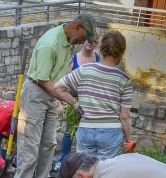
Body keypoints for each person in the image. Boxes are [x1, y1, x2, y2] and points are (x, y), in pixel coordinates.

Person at [14, 14, 96, 178]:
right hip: (36, 93)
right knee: (30, 142)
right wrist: (73, 102)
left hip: (51, 95)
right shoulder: (50, 44)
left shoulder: (69, 42)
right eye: (84, 37)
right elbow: (43, 80)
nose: (83, 42)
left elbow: (62, 75)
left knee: (49, 143)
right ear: (78, 27)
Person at [57, 29, 133, 161]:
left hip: (86, 128)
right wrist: (129, 140)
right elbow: (124, 116)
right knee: (104, 169)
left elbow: (58, 88)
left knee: (84, 167)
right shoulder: (124, 79)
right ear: (121, 53)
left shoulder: (84, 70)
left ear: (101, 49)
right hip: (110, 133)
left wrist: (76, 104)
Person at [60, 39, 99, 158]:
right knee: (69, 131)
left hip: (91, 102)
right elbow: (63, 82)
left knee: (89, 132)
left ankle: (85, 159)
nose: (90, 43)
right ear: (83, 40)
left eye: (94, 41)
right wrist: (60, 103)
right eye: (88, 39)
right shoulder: (73, 59)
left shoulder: (99, 60)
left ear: (97, 43)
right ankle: (64, 158)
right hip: (73, 101)